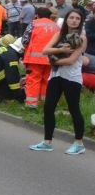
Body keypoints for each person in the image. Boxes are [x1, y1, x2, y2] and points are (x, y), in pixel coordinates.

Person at [30, 9, 87, 155]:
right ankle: (47, 142)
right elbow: (45, 50)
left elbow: (71, 60)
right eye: (71, 17)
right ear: (66, 19)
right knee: (48, 107)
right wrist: (61, 49)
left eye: (77, 18)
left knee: (74, 109)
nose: (74, 20)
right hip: (56, 76)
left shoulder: (81, 38)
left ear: (80, 22)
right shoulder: (59, 35)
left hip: (72, 77)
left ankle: (79, 143)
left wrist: (54, 62)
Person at [20, 7, 59, 109]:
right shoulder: (56, 26)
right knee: (46, 81)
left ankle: (31, 105)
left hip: (34, 59)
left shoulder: (34, 23)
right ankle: (44, 104)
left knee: (33, 80)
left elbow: (25, 40)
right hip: (50, 59)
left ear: (37, 15)